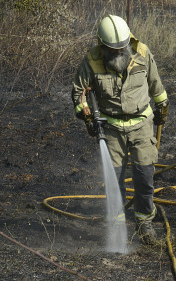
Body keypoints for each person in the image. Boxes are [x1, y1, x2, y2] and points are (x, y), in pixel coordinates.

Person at [71, 15, 169, 245]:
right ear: (102, 46)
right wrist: (85, 114)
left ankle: (144, 223)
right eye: (113, 49)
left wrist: (163, 106)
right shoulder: (92, 61)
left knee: (144, 177)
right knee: (114, 180)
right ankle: (116, 226)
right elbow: (78, 94)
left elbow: (156, 85)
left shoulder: (142, 53)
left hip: (142, 125)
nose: (119, 52)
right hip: (111, 128)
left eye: (122, 47)